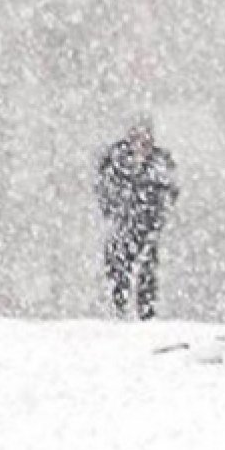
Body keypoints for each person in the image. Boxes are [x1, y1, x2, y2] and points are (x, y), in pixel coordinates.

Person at [95, 114, 179, 320]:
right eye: (137, 136)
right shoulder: (115, 161)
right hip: (123, 224)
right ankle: (118, 310)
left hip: (148, 225)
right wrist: (116, 209)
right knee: (118, 266)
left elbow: (170, 191)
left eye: (145, 137)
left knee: (147, 269)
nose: (141, 143)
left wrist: (158, 214)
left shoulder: (159, 163)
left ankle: (146, 313)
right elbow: (104, 189)